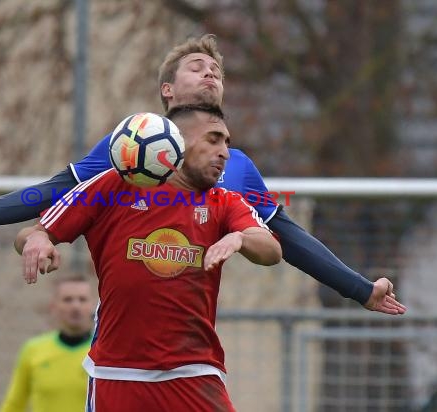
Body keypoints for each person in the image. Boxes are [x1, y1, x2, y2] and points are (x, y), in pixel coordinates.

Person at [0, 34, 397, 313]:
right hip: (123, 342)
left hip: (194, 340)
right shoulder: (133, 146)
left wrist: (359, 289)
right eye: (197, 67)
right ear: (167, 89)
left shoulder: (236, 167)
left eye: (216, 70)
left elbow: (289, 238)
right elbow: (60, 190)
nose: (210, 74)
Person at [16, 104, 284, 411]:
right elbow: (35, 232)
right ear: (175, 141)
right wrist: (37, 240)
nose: (224, 152)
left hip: (193, 371)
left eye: (227, 142)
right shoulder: (112, 186)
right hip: (116, 372)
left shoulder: (224, 201)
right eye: (213, 139)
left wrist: (239, 237)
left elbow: (271, 250)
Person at [0, 274, 95, 412]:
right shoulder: (33, 350)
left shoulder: (103, 352)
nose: (75, 306)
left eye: (82, 299)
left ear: (93, 305)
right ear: (54, 306)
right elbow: (14, 404)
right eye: (68, 300)